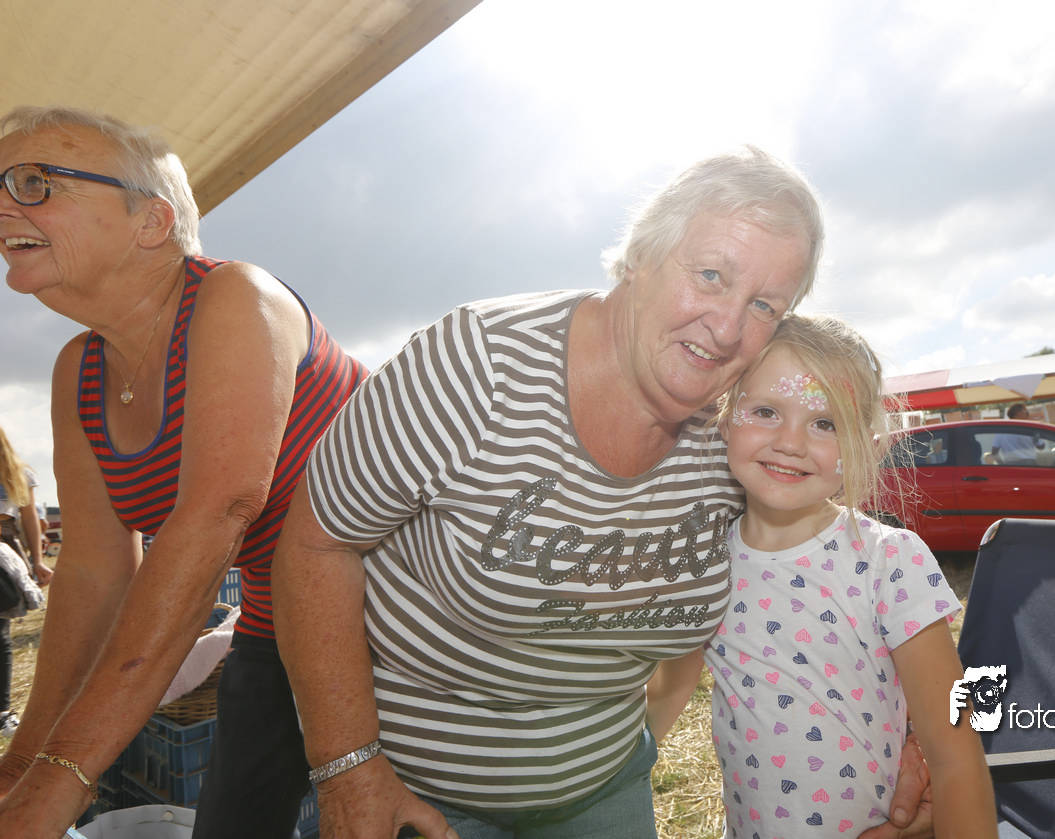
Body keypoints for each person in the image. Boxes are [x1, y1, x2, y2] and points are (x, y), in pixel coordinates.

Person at [272, 147, 932, 839]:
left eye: (765, 304)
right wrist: (347, 767)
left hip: (607, 790)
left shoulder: (741, 421)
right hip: (426, 799)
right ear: (641, 254)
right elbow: (316, 542)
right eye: (710, 275)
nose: (728, 328)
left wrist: (929, 745)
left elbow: (862, 591)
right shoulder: (476, 365)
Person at [0, 106, 368, 838]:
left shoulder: (236, 296)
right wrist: (22, 765)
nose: (5, 204)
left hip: (411, 609)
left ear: (152, 220)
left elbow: (218, 511)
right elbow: (93, 573)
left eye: (34, 182)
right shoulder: (79, 369)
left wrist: (61, 777)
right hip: (276, 620)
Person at [691, 314, 996, 837]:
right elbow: (663, 692)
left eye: (825, 423)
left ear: (866, 446)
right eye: (765, 411)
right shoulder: (706, 563)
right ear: (724, 420)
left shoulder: (888, 561)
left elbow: (955, 756)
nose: (790, 442)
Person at [0, 425, 52, 737]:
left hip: (3, 550)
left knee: (1, 631)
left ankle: (2, 712)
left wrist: (37, 561)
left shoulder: (19, 473)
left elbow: (30, 518)